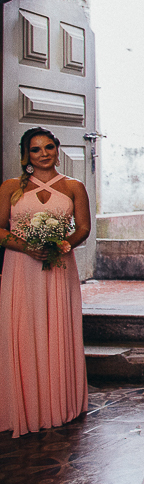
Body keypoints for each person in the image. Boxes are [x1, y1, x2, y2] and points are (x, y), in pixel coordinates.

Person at [0, 127, 92, 437]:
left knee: (57, 328)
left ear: (57, 148)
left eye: (49, 147)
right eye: (36, 149)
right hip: (21, 268)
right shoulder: (11, 187)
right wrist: (26, 246)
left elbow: (82, 228)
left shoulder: (74, 186)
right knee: (24, 328)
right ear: (26, 154)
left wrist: (60, 245)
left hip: (59, 267)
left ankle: (59, 403)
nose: (44, 154)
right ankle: (25, 405)